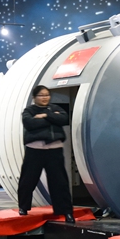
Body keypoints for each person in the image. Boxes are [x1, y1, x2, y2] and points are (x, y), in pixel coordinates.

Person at [17, 85, 74, 223]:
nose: (44, 98)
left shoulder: (55, 108)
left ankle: (66, 211)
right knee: (28, 179)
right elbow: (29, 123)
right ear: (34, 97)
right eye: (41, 95)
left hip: (55, 150)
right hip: (35, 150)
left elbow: (64, 119)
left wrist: (45, 115)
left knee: (59, 182)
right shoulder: (29, 111)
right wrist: (52, 119)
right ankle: (23, 207)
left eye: (47, 95)